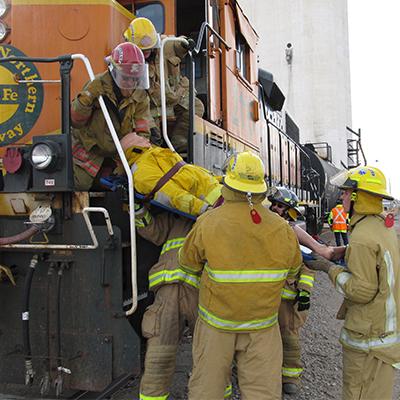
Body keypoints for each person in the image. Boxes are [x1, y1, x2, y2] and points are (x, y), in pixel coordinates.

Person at [178, 152, 303, 400]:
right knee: (262, 393)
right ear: (261, 188)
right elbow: (293, 269)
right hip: (262, 327)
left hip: (216, 325)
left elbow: (187, 264)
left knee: (207, 390)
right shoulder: (283, 229)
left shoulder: (207, 222)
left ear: (228, 183)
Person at [304, 166, 400, 400]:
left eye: (346, 192)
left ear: (358, 197)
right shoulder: (380, 226)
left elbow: (361, 291)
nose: (342, 196)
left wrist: (329, 268)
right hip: (383, 334)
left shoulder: (362, 237)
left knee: (358, 393)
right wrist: (345, 251)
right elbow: (377, 258)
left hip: (368, 339)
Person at [135, 207, 232, 400]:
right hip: (169, 290)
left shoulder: (220, 219)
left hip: (203, 292)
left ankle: (220, 392)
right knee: (160, 347)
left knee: (211, 348)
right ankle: (153, 397)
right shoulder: (175, 218)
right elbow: (154, 231)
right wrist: (138, 211)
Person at [71, 42, 151, 190]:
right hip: (90, 152)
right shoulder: (96, 86)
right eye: (126, 78)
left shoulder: (140, 95)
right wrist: (87, 97)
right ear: (114, 72)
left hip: (120, 154)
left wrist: (130, 153)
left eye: (135, 78)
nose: (131, 83)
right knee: (80, 185)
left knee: (135, 185)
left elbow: (143, 132)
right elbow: (76, 121)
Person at [124, 17, 204, 153]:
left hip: (175, 94)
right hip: (150, 106)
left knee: (196, 107)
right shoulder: (128, 62)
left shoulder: (166, 45)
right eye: (141, 50)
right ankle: (157, 155)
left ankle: (179, 146)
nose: (146, 52)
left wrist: (186, 43)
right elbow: (137, 99)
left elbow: (178, 44)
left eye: (148, 49)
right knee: (153, 135)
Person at [267, 187, 316, 394]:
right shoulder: (263, 229)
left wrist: (304, 290)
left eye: (280, 206)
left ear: (289, 212)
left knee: (288, 335)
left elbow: (307, 266)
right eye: (273, 204)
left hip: (287, 299)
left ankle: (290, 376)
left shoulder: (294, 234)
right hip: (265, 297)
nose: (274, 208)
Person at [120, 132, 221, 216]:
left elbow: (191, 172)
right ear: (134, 147)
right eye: (140, 139)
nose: (146, 139)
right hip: (215, 204)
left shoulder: (154, 155)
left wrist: (221, 179)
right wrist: (204, 209)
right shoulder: (142, 171)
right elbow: (172, 195)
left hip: (221, 193)